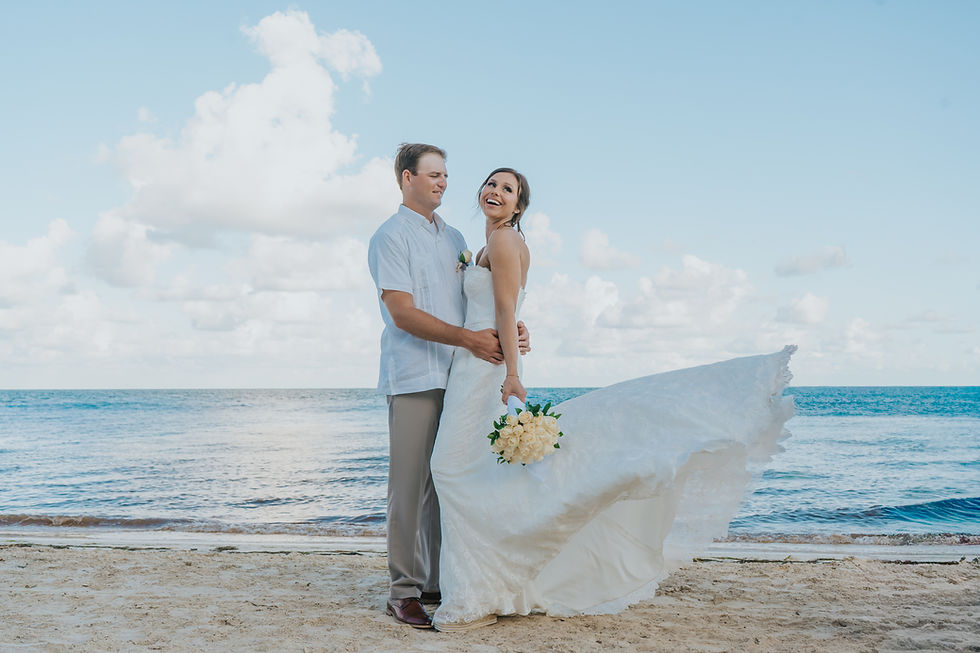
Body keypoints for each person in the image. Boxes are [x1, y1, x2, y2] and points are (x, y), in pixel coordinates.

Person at [429, 168, 796, 631]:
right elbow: (506, 311)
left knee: (451, 469)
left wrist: (513, 374)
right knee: (476, 475)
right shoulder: (485, 246)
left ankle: (479, 591)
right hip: (474, 364)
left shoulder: (504, 242)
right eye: (491, 183)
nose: (495, 192)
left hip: (486, 370)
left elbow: (505, 308)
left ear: (519, 206)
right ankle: (489, 584)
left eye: (508, 189)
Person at [367, 144, 529, 629]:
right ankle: (403, 591)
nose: (441, 182)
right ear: (406, 178)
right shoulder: (390, 237)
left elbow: (489, 300)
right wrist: (471, 339)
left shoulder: (457, 237)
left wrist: (515, 330)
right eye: (432, 174)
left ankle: (436, 580)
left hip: (462, 376)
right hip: (415, 374)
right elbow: (402, 312)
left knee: (447, 481)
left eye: (445, 175)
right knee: (410, 485)